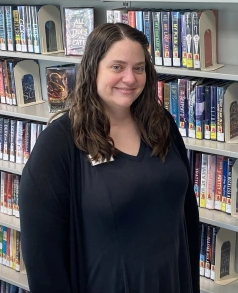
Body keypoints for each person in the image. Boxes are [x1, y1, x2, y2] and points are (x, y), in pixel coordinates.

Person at [19, 23, 200, 293]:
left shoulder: (161, 124)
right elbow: (42, 258)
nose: (130, 78)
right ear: (93, 68)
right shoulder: (59, 144)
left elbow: (187, 214)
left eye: (138, 68)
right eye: (117, 67)